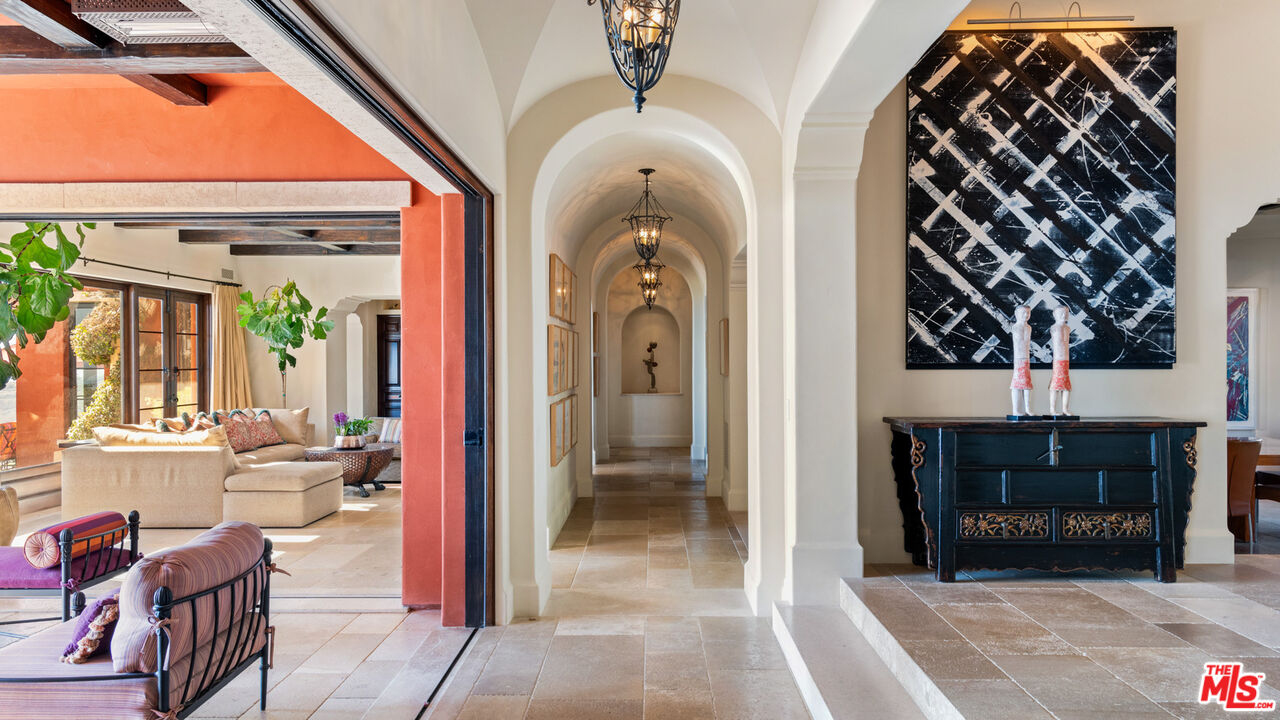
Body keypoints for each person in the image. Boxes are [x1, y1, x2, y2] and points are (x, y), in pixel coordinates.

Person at [1010, 305, 1033, 417]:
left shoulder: (1029, 327)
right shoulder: (1015, 327)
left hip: (1026, 359)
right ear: (1016, 314)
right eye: (1023, 313)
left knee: (1027, 384)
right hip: (1019, 359)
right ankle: (1016, 410)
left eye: (1028, 313)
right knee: (1017, 384)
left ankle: (1027, 409)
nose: (1026, 315)